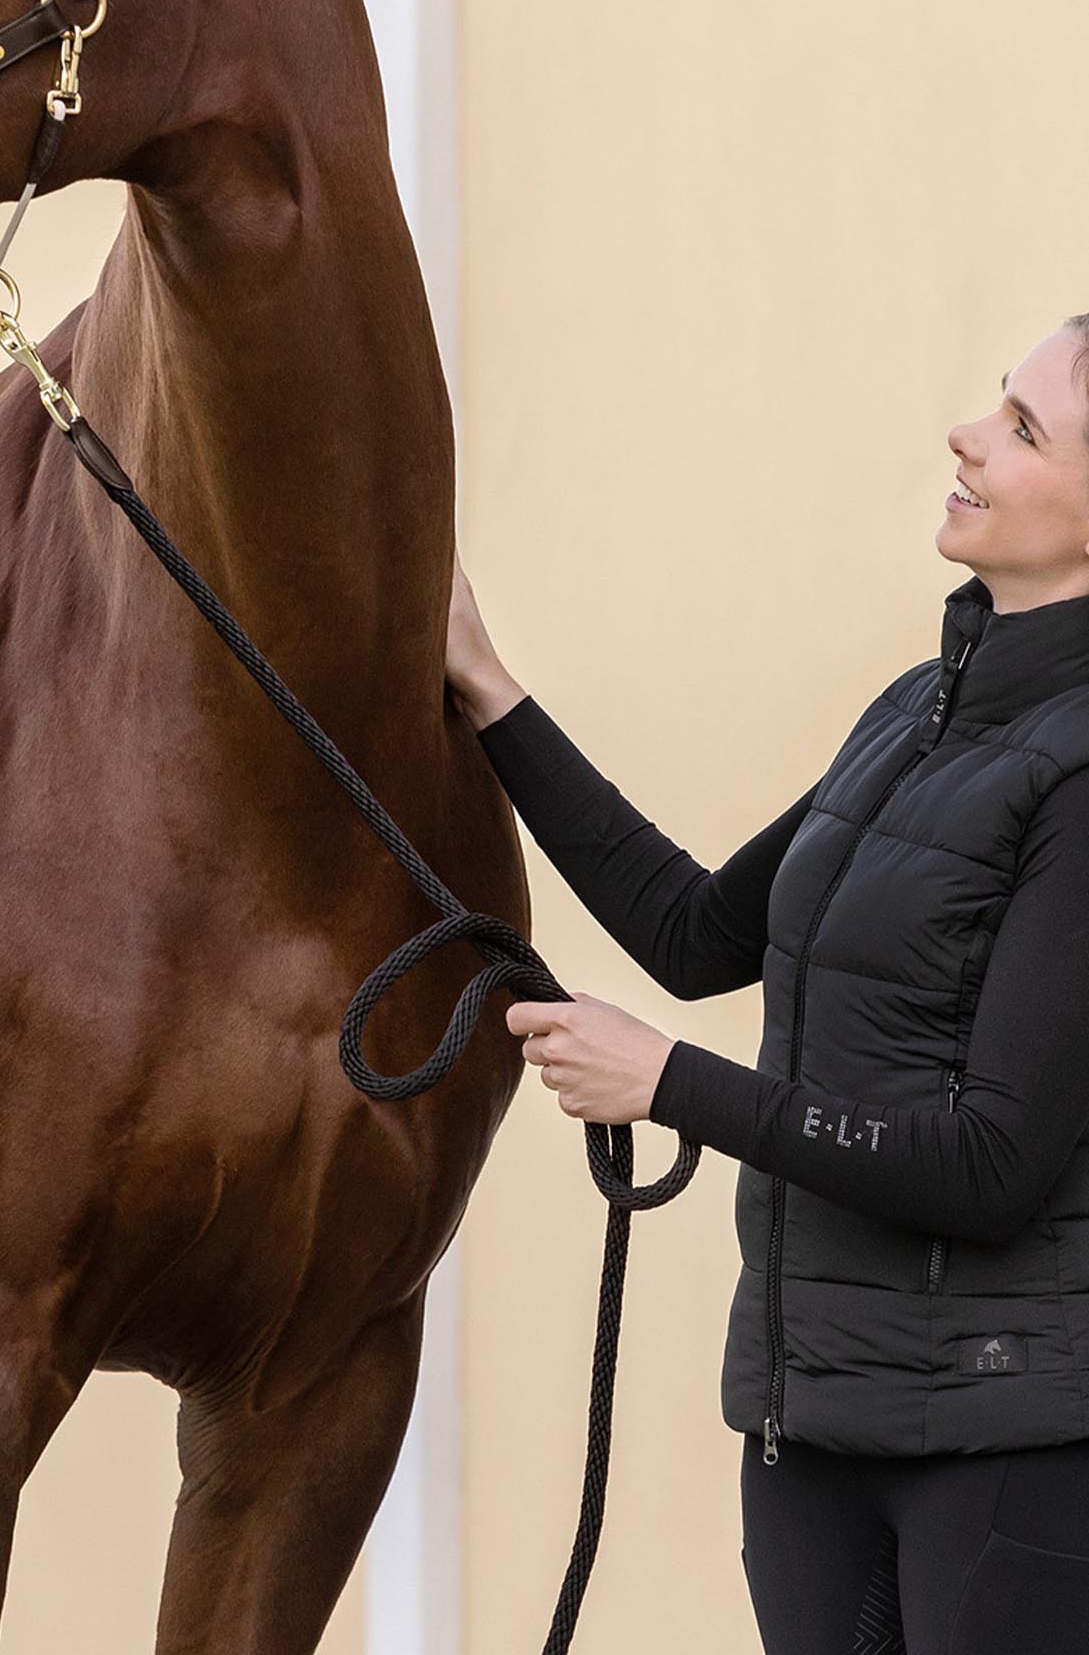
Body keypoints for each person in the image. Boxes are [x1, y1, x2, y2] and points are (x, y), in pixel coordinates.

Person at [445, 319, 1089, 1654]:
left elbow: (992, 1165)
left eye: (1024, 429)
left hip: (1009, 1453)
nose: (969, 434)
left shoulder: (1079, 777)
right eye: (997, 405)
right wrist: (487, 689)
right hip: (808, 1433)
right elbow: (695, 931)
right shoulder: (919, 713)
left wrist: (670, 1083)